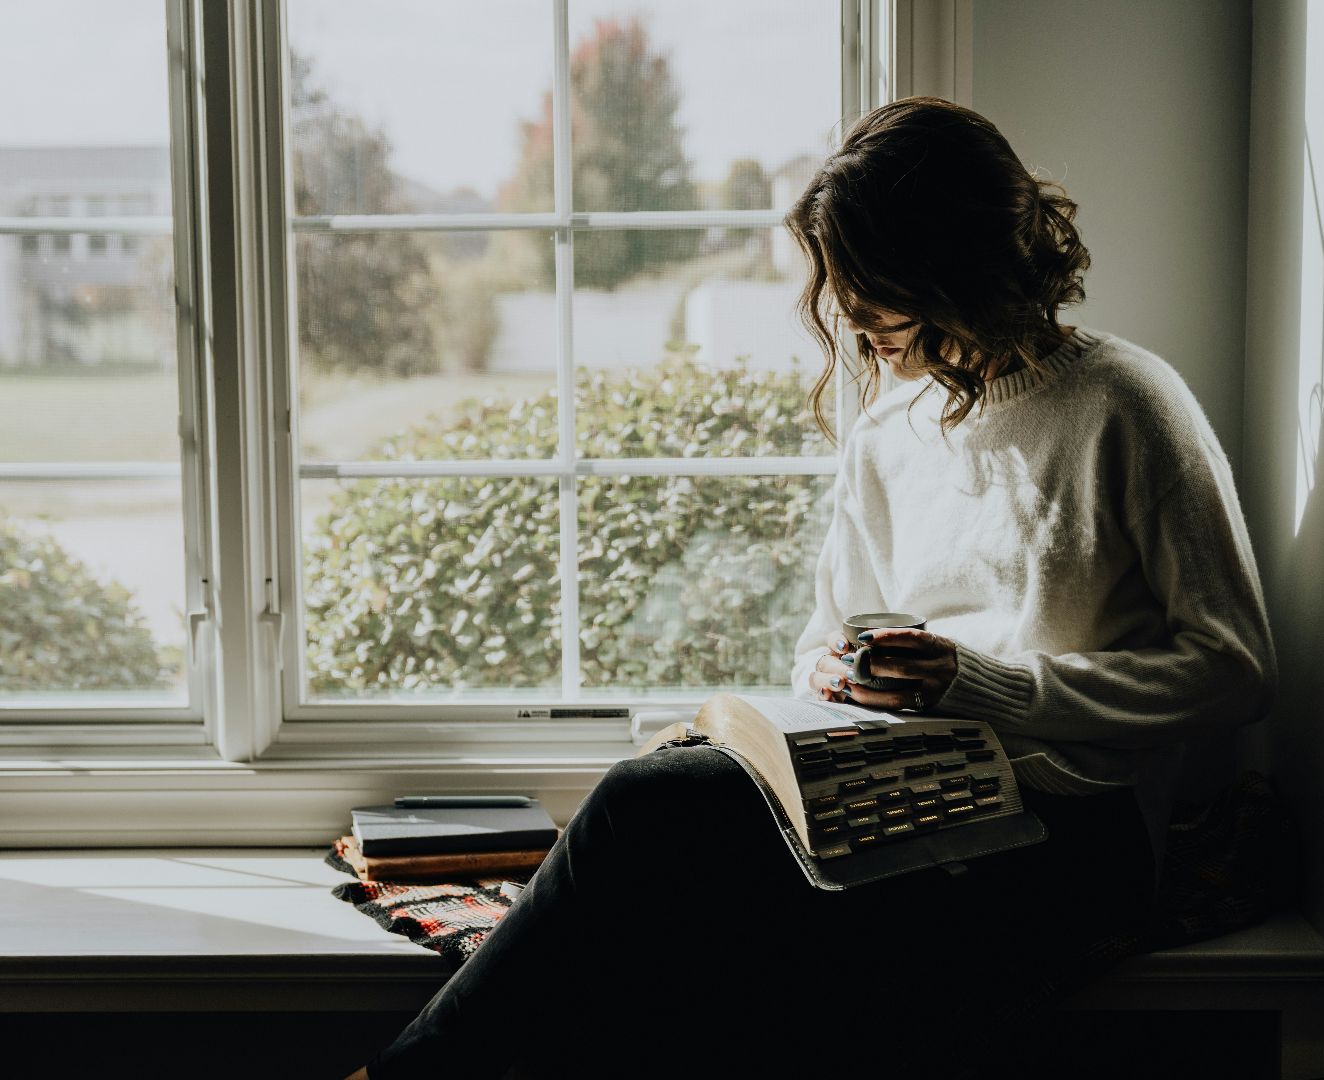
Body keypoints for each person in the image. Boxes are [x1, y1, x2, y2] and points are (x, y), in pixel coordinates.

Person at [345, 96, 1275, 1080]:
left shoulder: (1123, 404)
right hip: (900, 796)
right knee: (678, 873)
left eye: (878, 288)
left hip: (1073, 828)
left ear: (959, 265)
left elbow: (1235, 672)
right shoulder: (889, 428)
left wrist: (982, 685)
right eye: (843, 285)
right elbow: (821, 645)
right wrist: (846, 676)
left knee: (651, 820)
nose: (853, 314)